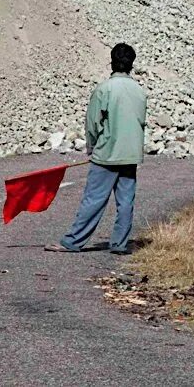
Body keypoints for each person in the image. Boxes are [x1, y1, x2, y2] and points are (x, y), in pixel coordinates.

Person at [50, 43, 147, 255]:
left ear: (112, 61)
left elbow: (93, 124)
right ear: (132, 64)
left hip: (106, 154)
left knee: (94, 199)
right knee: (125, 202)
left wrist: (92, 147)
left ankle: (73, 241)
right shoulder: (140, 91)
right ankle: (120, 244)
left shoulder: (104, 89)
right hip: (130, 155)